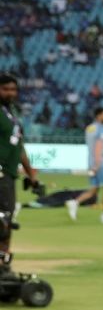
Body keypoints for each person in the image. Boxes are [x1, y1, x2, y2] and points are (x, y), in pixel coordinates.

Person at [0, 73, 40, 272]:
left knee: (6, 218)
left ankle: (4, 261)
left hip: (8, 175)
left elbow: (19, 147)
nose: (10, 93)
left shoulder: (12, 113)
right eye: (5, 89)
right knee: (2, 219)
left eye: (13, 89)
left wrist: (31, 174)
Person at [68, 107, 103, 224]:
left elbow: (93, 147)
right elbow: (98, 147)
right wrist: (98, 164)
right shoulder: (102, 129)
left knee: (94, 189)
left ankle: (75, 202)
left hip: (91, 161)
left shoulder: (90, 128)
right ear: (99, 116)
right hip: (99, 163)